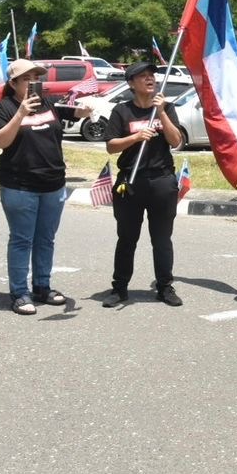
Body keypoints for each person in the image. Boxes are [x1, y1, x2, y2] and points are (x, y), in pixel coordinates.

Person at [0, 59, 90, 315]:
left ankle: (42, 287)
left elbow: (72, 112)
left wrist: (84, 110)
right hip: (19, 186)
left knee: (46, 239)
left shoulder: (48, 103)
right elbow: (1, 141)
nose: (35, 83)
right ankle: (20, 293)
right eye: (28, 79)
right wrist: (21, 113)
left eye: (38, 78)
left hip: (53, 184)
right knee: (22, 240)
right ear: (13, 84)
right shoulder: (4, 108)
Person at [102, 62, 184, 308]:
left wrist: (161, 114)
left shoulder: (166, 107)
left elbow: (176, 140)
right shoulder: (121, 111)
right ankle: (119, 288)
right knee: (127, 238)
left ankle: (165, 287)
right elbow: (111, 145)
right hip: (131, 181)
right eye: (143, 77)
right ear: (131, 84)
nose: (150, 80)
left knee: (161, 239)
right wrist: (136, 137)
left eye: (152, 76)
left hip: (161, 181)